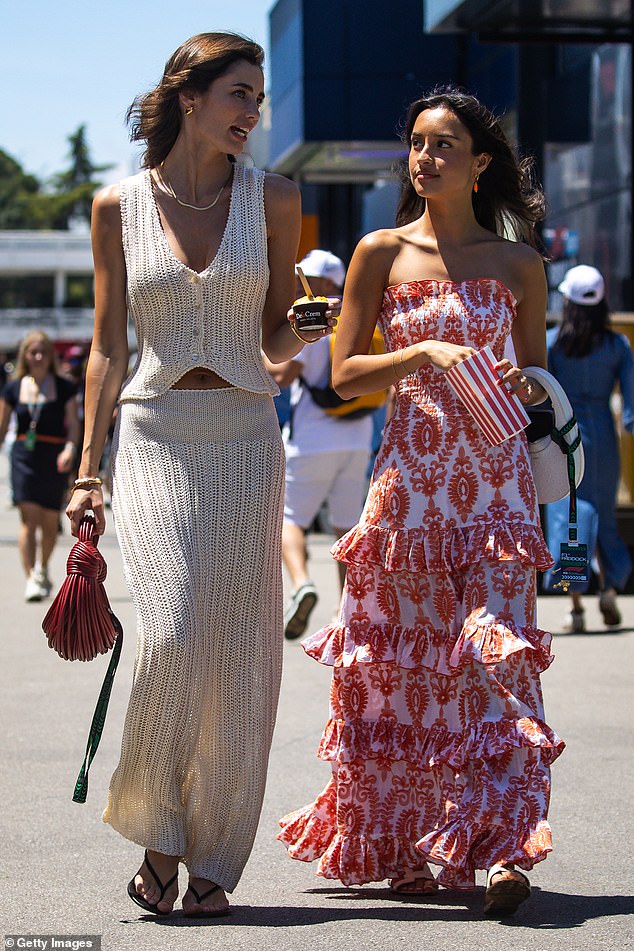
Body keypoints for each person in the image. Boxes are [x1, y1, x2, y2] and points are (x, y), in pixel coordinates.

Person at [65, 32, 337, 919]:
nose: (253, 113)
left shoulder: (277, 199)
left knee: (240, 653)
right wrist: (86, 466)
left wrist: (309, 329)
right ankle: (158, 833)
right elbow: (107, 347)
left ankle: (214, 851)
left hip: (248, 434)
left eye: (259, 97)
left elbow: (271, 339)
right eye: (240, 95)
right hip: (154, 435)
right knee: (173, 634)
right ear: (190, 97)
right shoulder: (118, 207)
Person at [278, 86, 565, 918]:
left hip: (498, 491)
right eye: (417, 143)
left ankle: (507, 846)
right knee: (405, 671)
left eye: (444, 144)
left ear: (480, 165)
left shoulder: (520, 266)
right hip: (407, 495)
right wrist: (428, 351)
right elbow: (344, 374)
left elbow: (539, 383)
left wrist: (519, 377)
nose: (425, 157)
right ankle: (410, 841)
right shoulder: (378, 251)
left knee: (498, 662)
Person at [265, 249, 375, 639]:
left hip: (312, 439)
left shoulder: (314, 320)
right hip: (359, 437)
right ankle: (346, 606)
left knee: (289, 519)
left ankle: (300, 583)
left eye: (307, 279)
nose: (300, 286)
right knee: (347, 525)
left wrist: (260, 356)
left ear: (323, 284)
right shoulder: (361, 320)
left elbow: (283, 374)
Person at [543, 264, 634, 631]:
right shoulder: (618, 345)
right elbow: (631, 408)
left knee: (569, 520)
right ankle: (610, 589)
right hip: (602, 439)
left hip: (562, 437)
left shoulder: (552, 343)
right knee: (605, 517)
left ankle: (576, 605)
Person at [0, 330, 80, 601]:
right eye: (33, 352)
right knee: (28, 519)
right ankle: (31, 576)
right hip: (24, 455)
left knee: (49, 521)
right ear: (25, 356)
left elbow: (74, 424)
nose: (38, 357)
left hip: (54, 456)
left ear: (50, 356)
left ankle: (44, 566)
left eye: (43, 352)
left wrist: (70, 448)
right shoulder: (13, 388)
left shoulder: (64, 387)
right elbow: (2, 426)